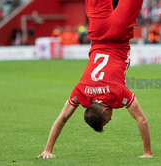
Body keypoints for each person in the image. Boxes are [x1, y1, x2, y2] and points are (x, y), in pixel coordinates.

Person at [38, 0, 152, 159]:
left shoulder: (118, 94)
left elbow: (142, 119)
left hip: (119, 35)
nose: (111, 118)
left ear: (105, 111)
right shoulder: (81, 92)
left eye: (107, 120)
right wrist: (47, 149)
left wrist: (147, 153)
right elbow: (62, 118)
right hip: (97, 33)